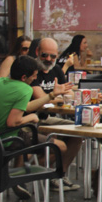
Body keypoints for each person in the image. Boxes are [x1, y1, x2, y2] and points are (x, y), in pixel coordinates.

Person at [0, 56, 77, 198]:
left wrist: (52, 95)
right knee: (61, 147)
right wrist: (31, 117)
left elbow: (25, 106)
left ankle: (22, 174)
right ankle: (22, 176)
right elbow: (13, 122)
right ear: (24, 77)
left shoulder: (0, 82)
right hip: (10, 137)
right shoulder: (25, 89)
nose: (34, 79)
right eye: (34, 76)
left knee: (45, 136)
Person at [30, 38, 82, 192]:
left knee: (78, 131)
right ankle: (37, 171)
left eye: (53, 57)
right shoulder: (32, 70)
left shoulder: (57, 70)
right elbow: (40, 98)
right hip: (33, 119)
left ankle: (60, 175)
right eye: (45, 55)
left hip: (48, 117)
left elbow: (69, 94)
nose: (48, 60)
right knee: (60, 145)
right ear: (38, 52)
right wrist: (57, 97)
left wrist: (59, 97)